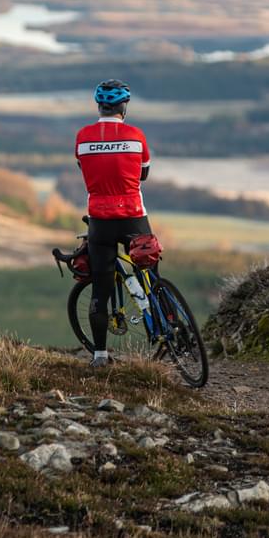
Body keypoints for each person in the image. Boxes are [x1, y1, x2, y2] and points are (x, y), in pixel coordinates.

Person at [74, 79, 152, 368]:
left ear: (99, 105)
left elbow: (84, 169)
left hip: (100, 220)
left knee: (100, 289)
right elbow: (143, 174)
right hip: (133, 215)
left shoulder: (83, 136)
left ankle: (100, 356)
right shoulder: (136, 135)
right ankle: (162, 318)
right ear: (124, 107)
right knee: (150, 268)